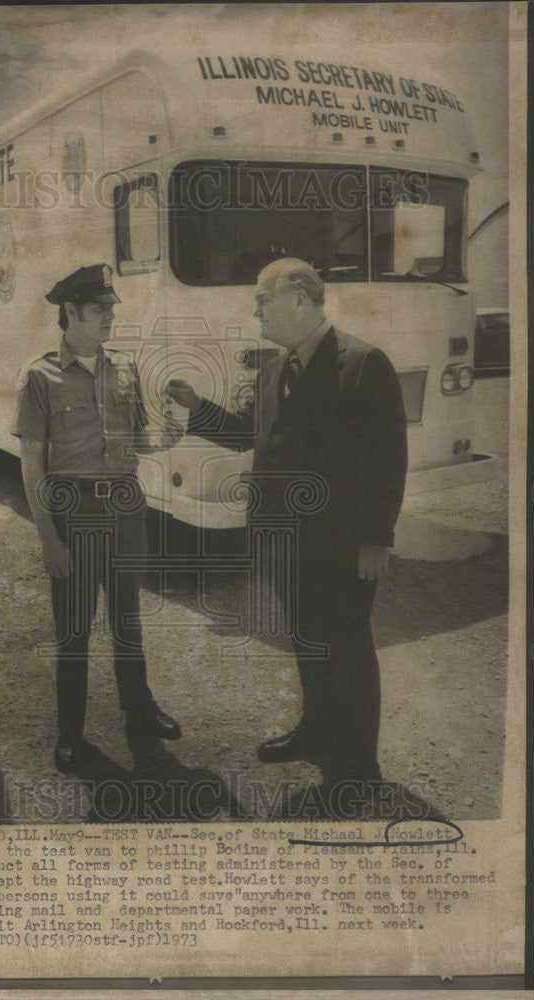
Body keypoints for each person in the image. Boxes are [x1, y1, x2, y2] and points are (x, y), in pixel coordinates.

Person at [166, 258, 408, 800]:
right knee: (305, 639)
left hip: (342, 543)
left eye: (261, 299)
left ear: (299, 299)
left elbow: (388, 457)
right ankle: (316, 731)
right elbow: (249, 436)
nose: (254, 309)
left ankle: (358, 765)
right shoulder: (276, 368)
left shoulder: (365, 363)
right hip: (282, 540)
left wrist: (378, 537)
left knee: (346, 647)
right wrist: (197, 407)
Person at [13, 263, 183, 772]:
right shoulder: (39, 376)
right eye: (100, 309)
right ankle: (71, 733)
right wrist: (49, 537)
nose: (111, 317)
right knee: (75, 631)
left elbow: (140, 439)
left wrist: (171, 432)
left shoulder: (125, 368)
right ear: (70, 312)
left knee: (128, 621)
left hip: (127, 507)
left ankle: (140, 711)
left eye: (112, 308)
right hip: (75, 513)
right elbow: (31, 464)